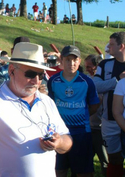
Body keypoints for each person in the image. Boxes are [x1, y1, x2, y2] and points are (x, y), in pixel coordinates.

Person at [0, 42, 72, 176]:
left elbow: (67, 140)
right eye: (30, 74)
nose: (36, 81)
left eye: (41, 75)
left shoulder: (46, 102)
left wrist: (59, 142)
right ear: (11, 71)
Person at [48, 45, 100, 177]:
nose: (72, 63)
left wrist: (81, 116)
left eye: (75, 60)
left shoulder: (87, 81)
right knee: (59, 170)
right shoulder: (53, 81)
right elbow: (50, 105)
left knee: (84, 172)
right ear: (61, 60)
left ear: (79, 61)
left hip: (81, 132)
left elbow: (94, 105)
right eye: (68, 59)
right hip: (59, 132)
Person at [93, 32, 125, 177]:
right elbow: (96, 86)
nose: (108, 47)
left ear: (121, 46)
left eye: (111, 44)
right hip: (110, 119)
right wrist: (118, 80)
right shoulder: (105, 64)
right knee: (115, 158)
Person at [85, 54, 108, 176]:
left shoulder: (103, 82)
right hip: (88, 126)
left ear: (97, 66)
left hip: (100, 127)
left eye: (90, 66)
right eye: (86, 67)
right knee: (86, 160)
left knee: (104, 161)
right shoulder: (87, 80)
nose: (87, 69)